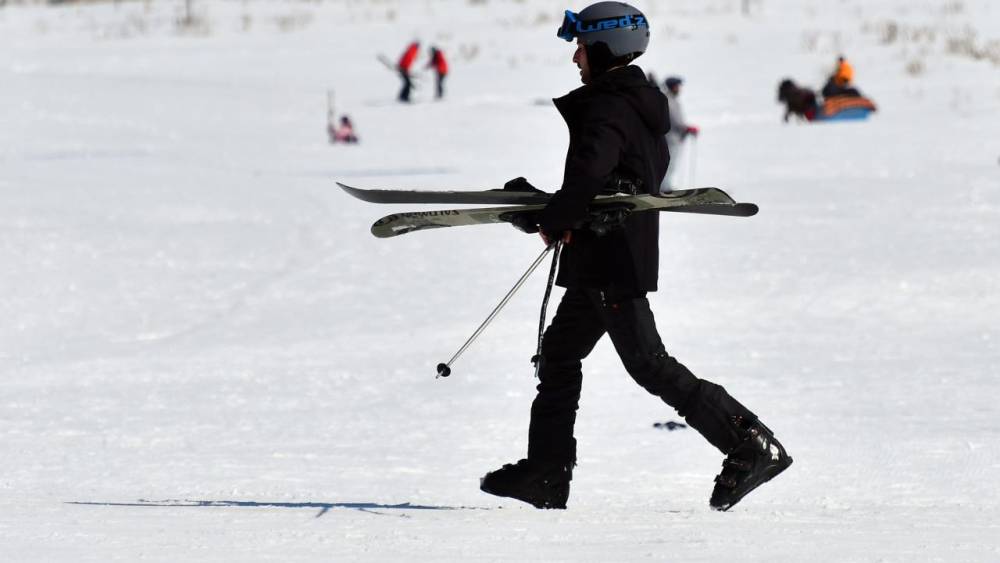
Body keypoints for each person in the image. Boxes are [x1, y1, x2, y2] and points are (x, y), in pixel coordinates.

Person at [479, 1, 792, 512]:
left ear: (605, 48)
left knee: (648, 364)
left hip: (612, 261)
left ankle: (748, 443)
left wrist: (554, 217)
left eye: (580, 46)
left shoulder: (607, 105)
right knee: (559, 356)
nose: (575, 57)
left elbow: (590, 174)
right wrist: (553, 209)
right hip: (605, 254)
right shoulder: (639, 101)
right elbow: (618, 179)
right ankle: (546, 473)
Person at [660, 76, 699, 192]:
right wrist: (687, 128)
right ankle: (664, 187)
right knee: (668, 163)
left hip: (674, 138)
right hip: (670, 138)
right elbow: (675, 121)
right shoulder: (669, 100)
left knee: (671, 163)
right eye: (678, 86)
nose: (679, 89)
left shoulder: (672, 99)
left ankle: (666, 185)